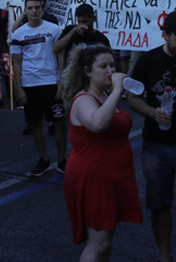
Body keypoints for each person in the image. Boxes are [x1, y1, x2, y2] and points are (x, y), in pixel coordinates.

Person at [128, 10, 176, 262]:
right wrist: (152, 112)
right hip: (156, 145)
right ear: (165, 35)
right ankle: (165, 256)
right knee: (160, 203)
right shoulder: (147, 61)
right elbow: (133, 97)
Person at [61, 45, 142, 261]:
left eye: (112, 65)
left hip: (111, 176)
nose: (110, 71)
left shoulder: (104, 95)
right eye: (103, 66)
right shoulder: (83, 99)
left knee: (105, 241)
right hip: (94, 177)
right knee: (98, 244)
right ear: (87, 71)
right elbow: (97, 124)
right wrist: (117, 91)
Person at [10, 0, 67, 176]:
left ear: (42, 10)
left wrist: (61, 80)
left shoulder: (54, 29)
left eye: (37, 7)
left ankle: (62, 159)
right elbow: (16, 62)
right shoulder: (19, 33)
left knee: (58, 122)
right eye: (30, 8)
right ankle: (43, 159)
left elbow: (61, 56)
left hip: (51, 82)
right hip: (30, 84)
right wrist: (19, 88)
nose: (34, 11)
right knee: (35, 122)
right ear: (25, 11)